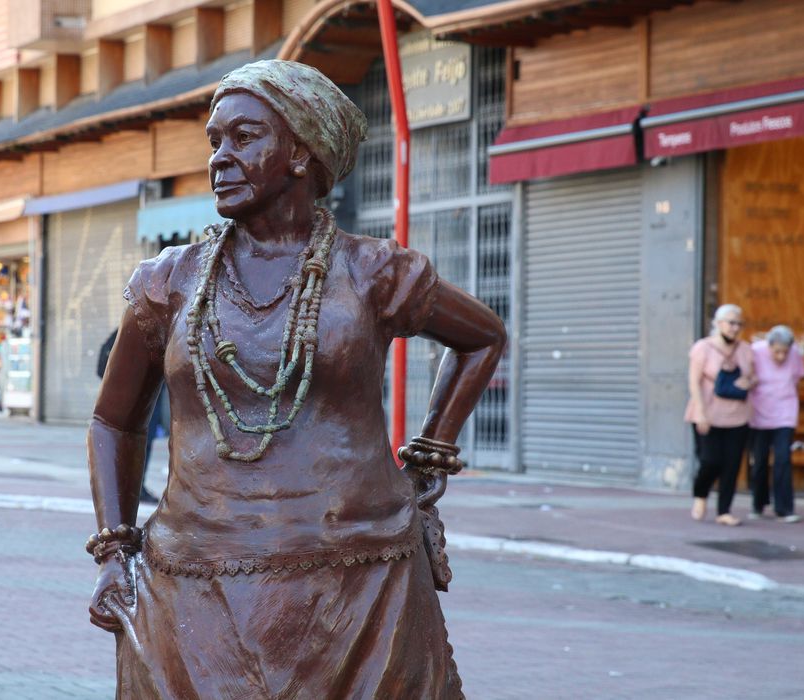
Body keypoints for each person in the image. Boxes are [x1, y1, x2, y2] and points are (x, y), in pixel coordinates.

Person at [86, 60, 506, 698]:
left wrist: (430, 456)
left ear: (303, 153)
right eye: (214, 141)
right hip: (193, 584)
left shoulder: (373, 272)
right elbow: (113, 420)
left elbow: (483, 338)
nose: (219, 158)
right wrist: (114, 551)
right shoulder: (169, 282)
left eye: (244, 137)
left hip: (362, 579)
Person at [685, 304, 755, 526]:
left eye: (739, 324)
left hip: (738, 416)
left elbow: (754, 376)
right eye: (731, 323)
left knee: (732, 465)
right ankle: (700, 495)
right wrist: (700, 413)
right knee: (710, 461)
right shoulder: (703, 348)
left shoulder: (746, 350)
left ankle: (724, 511)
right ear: (718, 323)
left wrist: (749, 382)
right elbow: (694, 382)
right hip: (708, 414)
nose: (735, 328)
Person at [97, 327, 164, 504]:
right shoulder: (147, 328)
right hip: (144, 399)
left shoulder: (125, 330)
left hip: (132, 400)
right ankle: (133, 489)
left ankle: (124, 487)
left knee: (128, 443)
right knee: (139, 443)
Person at [748, 325, 804, 523]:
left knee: (783, 459)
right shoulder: (755, 351)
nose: (781, 356)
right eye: (777, 351)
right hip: (759, 412)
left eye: (785, 352)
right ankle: (758, 503)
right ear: (769, 346)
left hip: (785, 412)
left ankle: (784, 508)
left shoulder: (795, 353)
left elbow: (797, 377)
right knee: (760, 461)